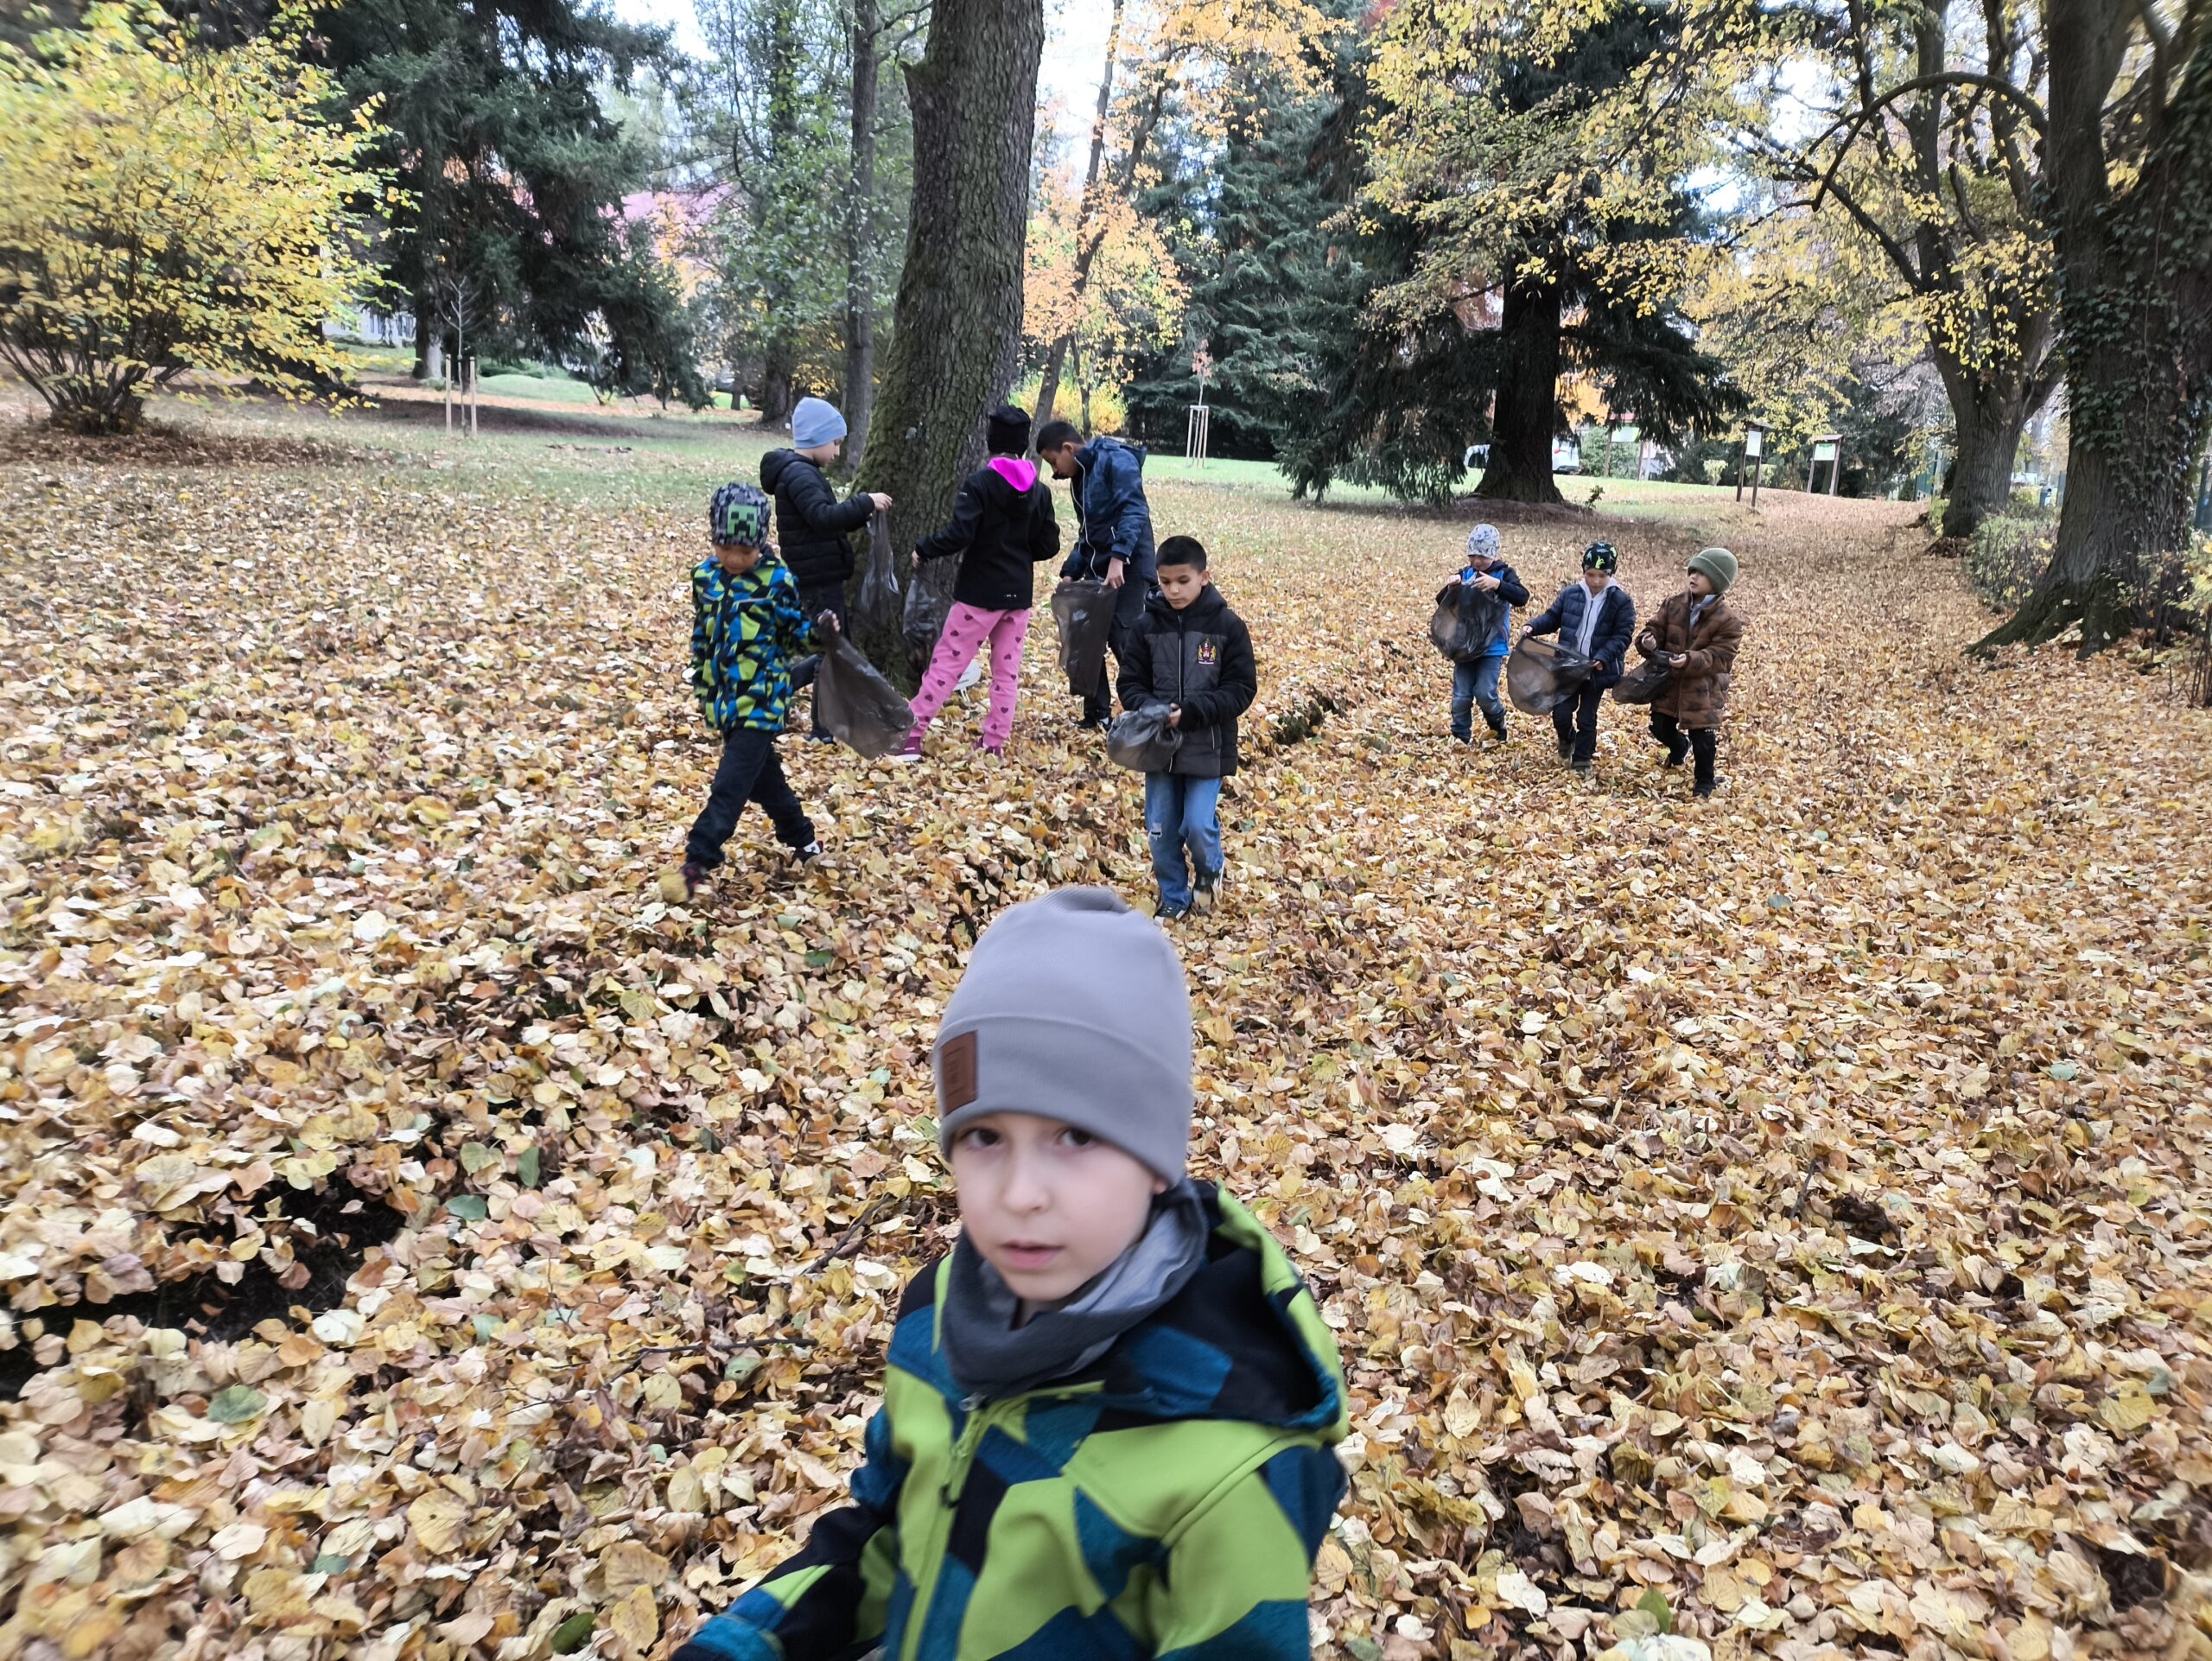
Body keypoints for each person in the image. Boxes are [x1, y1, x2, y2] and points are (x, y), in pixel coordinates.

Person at [670, 888, 1348, 1661]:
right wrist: (748, 1643)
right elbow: (885, 1535)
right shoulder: (935, 1318)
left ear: (1158, 1162)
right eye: (985, 1136)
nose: (1022, 1194)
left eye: (1076, 1137)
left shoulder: (1233, 1460)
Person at [675, 483, 837, 898]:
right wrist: (703, 683)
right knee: (765, 781)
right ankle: (804, 840)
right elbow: (703, 635)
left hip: (763, 700)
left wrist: (820, 634)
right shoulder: (705, 578)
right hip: (725, 700)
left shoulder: (776, 581)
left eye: (744, 552)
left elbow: (796, 636)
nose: (733, 558)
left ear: (761, 543)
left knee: (730, 783)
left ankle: (698, 859)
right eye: (724, 548)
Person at [892, 405, 1061, 760]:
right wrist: (1018, 553)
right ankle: (993, 743)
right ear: (1023, 443)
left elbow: (960, 534)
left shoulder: (980, 484)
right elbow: (1049, 544)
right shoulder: (1040, 492)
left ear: (990, 441)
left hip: (978, 595)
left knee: (947, 664)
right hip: (1017, 597)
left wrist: (924, 548)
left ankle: (911, 735)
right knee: (1006, 673)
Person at [1116, 537, 1256, 920]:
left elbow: (1241, 689)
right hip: (1158, 749)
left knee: (1197, 824)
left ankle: (1210, 871)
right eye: (1165, 582)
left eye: (1183, 581)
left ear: (1204, 577)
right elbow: (1129, 683)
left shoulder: (1228, 627)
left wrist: (1192, 713)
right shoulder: (1145, 626)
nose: (1174, 590)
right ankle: (1174, 896)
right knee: (1160, 829)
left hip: (1207, 747)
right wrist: (1152, 710)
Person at [760, 397, 893, 740]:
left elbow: (824, 522)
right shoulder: (799, 475)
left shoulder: (802, 473)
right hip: (817, 580)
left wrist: (860, 514)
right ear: (816, 438)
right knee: (830, 653)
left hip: (821, 575)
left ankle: (783, 687)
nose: (837, 452)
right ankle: (820, 728)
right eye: (835, 443)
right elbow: (821, 518)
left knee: (834, 649)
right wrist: (864, 501)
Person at [1036, 418, 1156, 729]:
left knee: (1124, 637)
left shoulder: (1116, 460)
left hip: (1130, 565)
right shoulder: (1080, 477)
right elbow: (1088, 532)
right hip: (1098, 567)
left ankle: (1151, 713)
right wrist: (1071, 571)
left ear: (1068, 448)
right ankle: (1097, 714)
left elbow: (1134, 511)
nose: (1055, 471)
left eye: (1053, 461)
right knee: (1085, 636)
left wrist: (1119, 558)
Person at [1637, 546, 1745, 799]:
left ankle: (1705, 780)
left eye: (1702, 573)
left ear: (1717, 581)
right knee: (1659, 726)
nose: (1693, 576)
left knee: (1703, 739)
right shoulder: (1674, 604)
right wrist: (1648, 640)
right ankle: (1679, 746)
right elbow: (1654, 628)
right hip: (1669, 682)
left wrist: (1689, 659)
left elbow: (1721, 656)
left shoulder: (1728, 620)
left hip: (1703, 689)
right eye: (1692, 571)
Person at [1524, 541, 1635, 780]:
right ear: (1583, 570)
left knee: (1587, 717)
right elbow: (1553, 617)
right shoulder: (1571, 594)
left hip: (1596, 670)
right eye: (1590, 574)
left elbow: (1623, 636)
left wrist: (1602, 657)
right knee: (1561, 713)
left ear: (1611, 573)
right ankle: (1567, 739)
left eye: (1602, 576)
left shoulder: (1621, 602)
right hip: (1569, 667)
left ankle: (1583, 758)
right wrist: (1533, 626)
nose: (1595, 581)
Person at [1435, 523, 1529, 743]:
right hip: (1464, 646)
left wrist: (1497, 585)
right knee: (1461, 695)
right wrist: (1451, 587)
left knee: (1485, 693)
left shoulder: (1504, 573)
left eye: (1482, 556)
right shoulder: (1465, 573)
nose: (1477, 561)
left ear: (1493, 554)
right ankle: (1460, 736)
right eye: (1473, 555)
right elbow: (1442, 603)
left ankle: (1497, 726)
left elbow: (1522, 596)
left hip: (1492, 647)